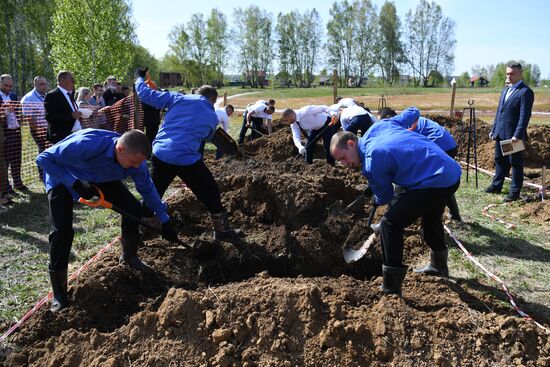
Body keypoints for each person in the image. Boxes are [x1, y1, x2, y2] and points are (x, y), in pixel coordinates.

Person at [36, 128, 178, 312]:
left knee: (133, 209)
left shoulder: (136, 163)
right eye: (134, 162)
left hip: (101, 177)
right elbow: (43, 159)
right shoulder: (87, 144)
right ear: (120, 149)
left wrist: (164, 219)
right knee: (62, 231)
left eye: (139, 163)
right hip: (63, 177)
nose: (136, 167)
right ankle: (59, 294)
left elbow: (147, 190)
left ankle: (129, 257)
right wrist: (75, 183)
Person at [330, 124, 461, 296]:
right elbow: (404, 118)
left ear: (351, 144)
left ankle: (391, 286)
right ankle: (439, 266)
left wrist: (376, 194)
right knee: (430, 219)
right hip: (449, 171)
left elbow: (385, 197)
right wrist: (374, 183)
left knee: (390, 224)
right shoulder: (375, 129)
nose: (345, 164)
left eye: (343, 158)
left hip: (435, 179)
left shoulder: (372, 158)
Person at [134, 68, 242, 240]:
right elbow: (205, 138)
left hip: (161, 153)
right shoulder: (212, 116)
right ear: (212, 100)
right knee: (211, 192)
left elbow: (146, 95)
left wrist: (139, 78)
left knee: (153, 193)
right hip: (186, 159)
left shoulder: (177, 97)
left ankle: (139, 233)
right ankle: (222, 230)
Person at [387, 107, 462, 221]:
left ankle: (392, 217)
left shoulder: (401, 126)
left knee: (402, 185)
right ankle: (454, 214)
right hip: (449, 145)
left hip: (441, 146)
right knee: (443, 179)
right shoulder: (407, 120)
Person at [486, 63, 534, 202]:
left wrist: (517, 135)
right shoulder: (505, 90)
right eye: (507, 73)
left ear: (520, 74)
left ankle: (514, 192)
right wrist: (493, 129)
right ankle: (496, 186)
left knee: (515, 163)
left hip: (513, 136)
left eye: (512, 73)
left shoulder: (525, 92)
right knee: (500, 160)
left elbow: (524, 116)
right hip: (501, 132)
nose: (509, 76)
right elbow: (499, 112)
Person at [0, 74, 26, 192]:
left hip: (15, 131)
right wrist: (3, 112)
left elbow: (18, 112)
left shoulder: (14, 95)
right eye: (6, 85)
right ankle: (6, 187)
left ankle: (18, 182)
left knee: (17, 157)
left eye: (10, 86)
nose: (8, 88)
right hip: (3, 133)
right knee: (5, 161)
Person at [21, 76, 49, 179]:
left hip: (49, 128)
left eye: (45, 84)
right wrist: (38, 130)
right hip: (38, 129)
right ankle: (42, 174)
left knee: (49, 149)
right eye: (42, 84)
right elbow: (29, 118)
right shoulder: (28, 98)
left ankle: (48, 172)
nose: (44, 86)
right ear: (35, 85)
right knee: (43, 150)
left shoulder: (46, 96)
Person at [44, 71, 82, 144]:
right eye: (71, 80)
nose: (73, 82)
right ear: (62, 80)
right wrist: (71, 115)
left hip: (74, 134)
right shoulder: (52, 95)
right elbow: (50, 116)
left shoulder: (69, 94)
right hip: (61, 137)